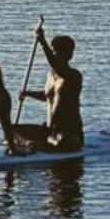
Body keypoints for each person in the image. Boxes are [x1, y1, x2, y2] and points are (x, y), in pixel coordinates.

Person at [14, 25, 85, 153]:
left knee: (63, 141)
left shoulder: (74, 76)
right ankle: (33, 144)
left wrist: (42, 41)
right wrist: (28, 93)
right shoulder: (50, 75)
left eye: (57, 53)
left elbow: (56, 65)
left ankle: (37, 145)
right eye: (52, 52)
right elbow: (48, 96)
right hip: (49, 130)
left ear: (69, 55)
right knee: (12, 130)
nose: (53, 55)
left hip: (69, 132)